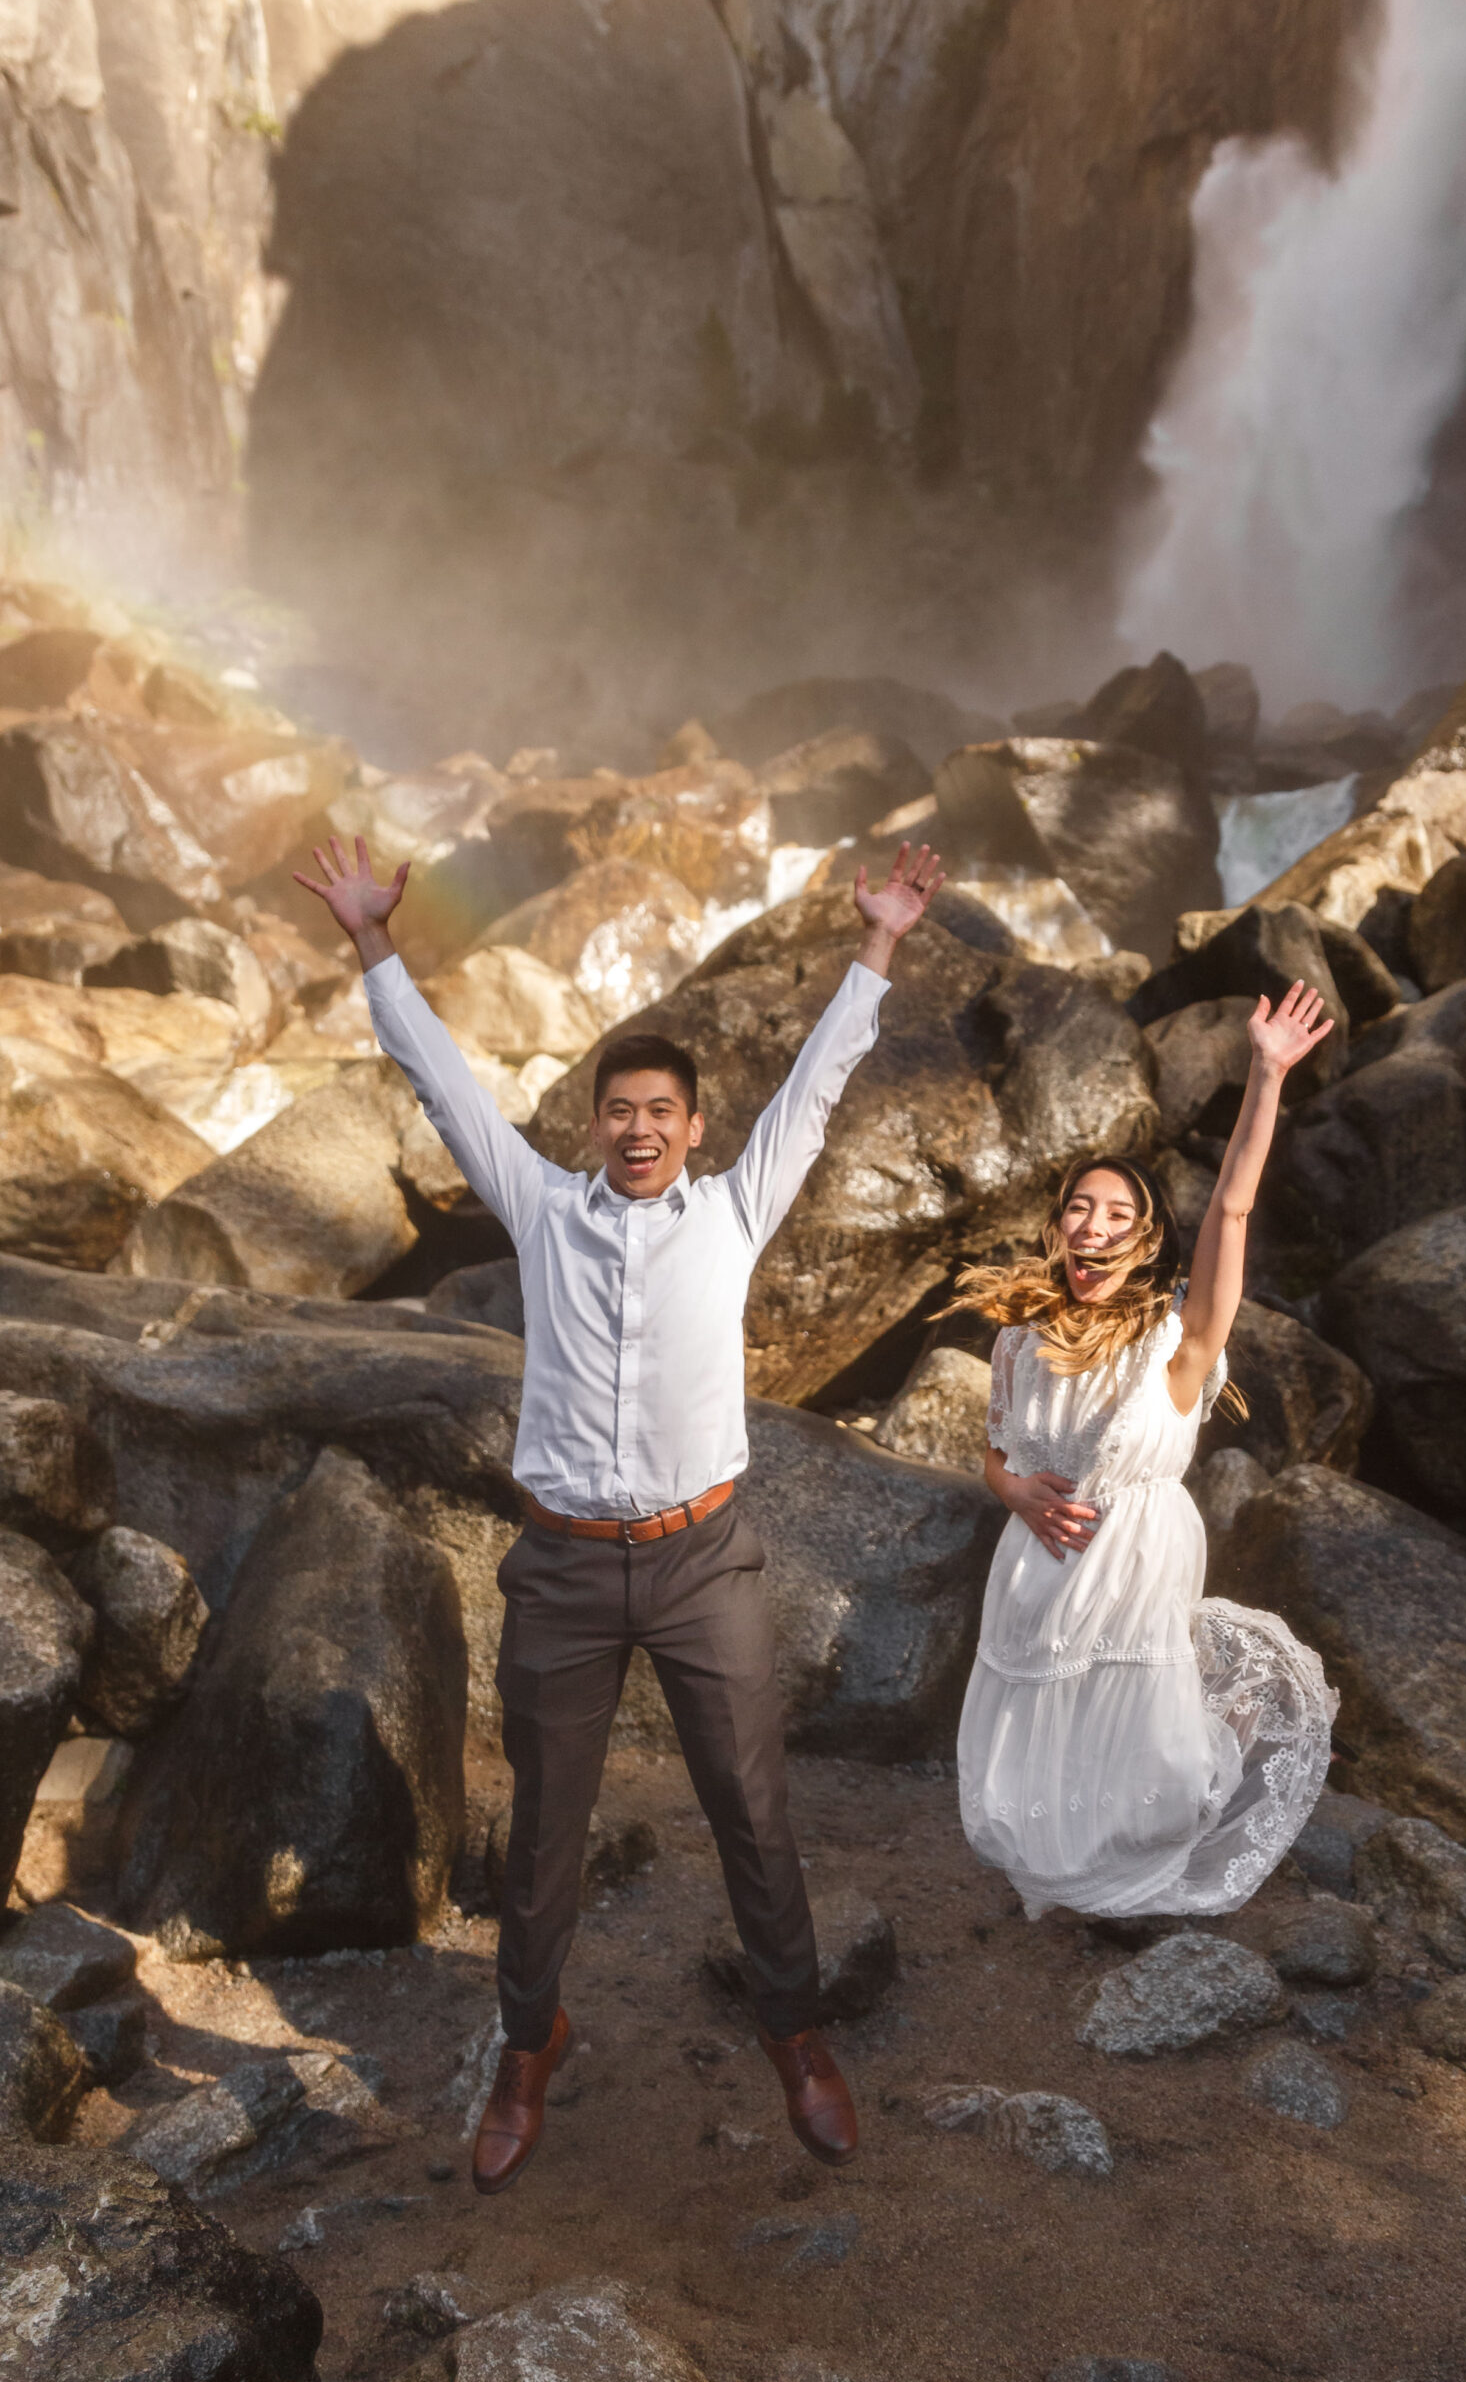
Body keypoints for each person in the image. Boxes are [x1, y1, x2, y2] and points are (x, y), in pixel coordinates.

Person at [295, 830, 943, 2193]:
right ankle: (526, 2048)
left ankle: (796, 2035)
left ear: (693, 1127)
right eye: (618, 1110)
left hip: (704, 1562)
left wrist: (877, 943)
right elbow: (440, 1080)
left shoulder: (732, 1211)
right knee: (540, 1835)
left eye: (661, 1110)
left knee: (751, 1814)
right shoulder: (540, 1211)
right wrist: (371, 941)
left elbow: (818, 1090)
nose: (639, 1128)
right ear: (591, 1124)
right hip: (567, 1570)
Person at [954, 979, 1338, 1923]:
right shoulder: (1017, 1342)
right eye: (1079, 1210)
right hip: (1037, 1559)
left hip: (1132, 1552)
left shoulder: (1179, 1339)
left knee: (1148, 1742)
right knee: (1048, 1724)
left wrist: (1264, 1074)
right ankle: (1070, 1877)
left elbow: (1232, 1216)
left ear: (1148, 1239)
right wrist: (1019, 1498)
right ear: (1057, 1228)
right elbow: (996, 1456)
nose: (1094, 1227)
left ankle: (1142, 1865)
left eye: (1118, 1215)